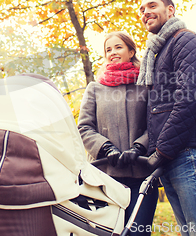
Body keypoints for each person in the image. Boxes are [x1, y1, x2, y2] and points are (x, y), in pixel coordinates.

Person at [137, 0, 196, 236]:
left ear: (171, 10)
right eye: (142, 10)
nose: (145, 13)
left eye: (152, 6)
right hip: (172, 154)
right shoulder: (159, 52)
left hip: (187, 152)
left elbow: (190, 99)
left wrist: (162, 149)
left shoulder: (185, 41)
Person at [78, 31, 158, 236]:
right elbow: (84, 127)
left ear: (131, 51)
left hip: (141, 175)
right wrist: (106, 148)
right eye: (108, 49)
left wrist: (139, 146)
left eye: (118, 47)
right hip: (104, 177)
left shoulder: (146, 86)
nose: (113, 52)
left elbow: (156, 123)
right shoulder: (94, 88)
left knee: (137, 233)